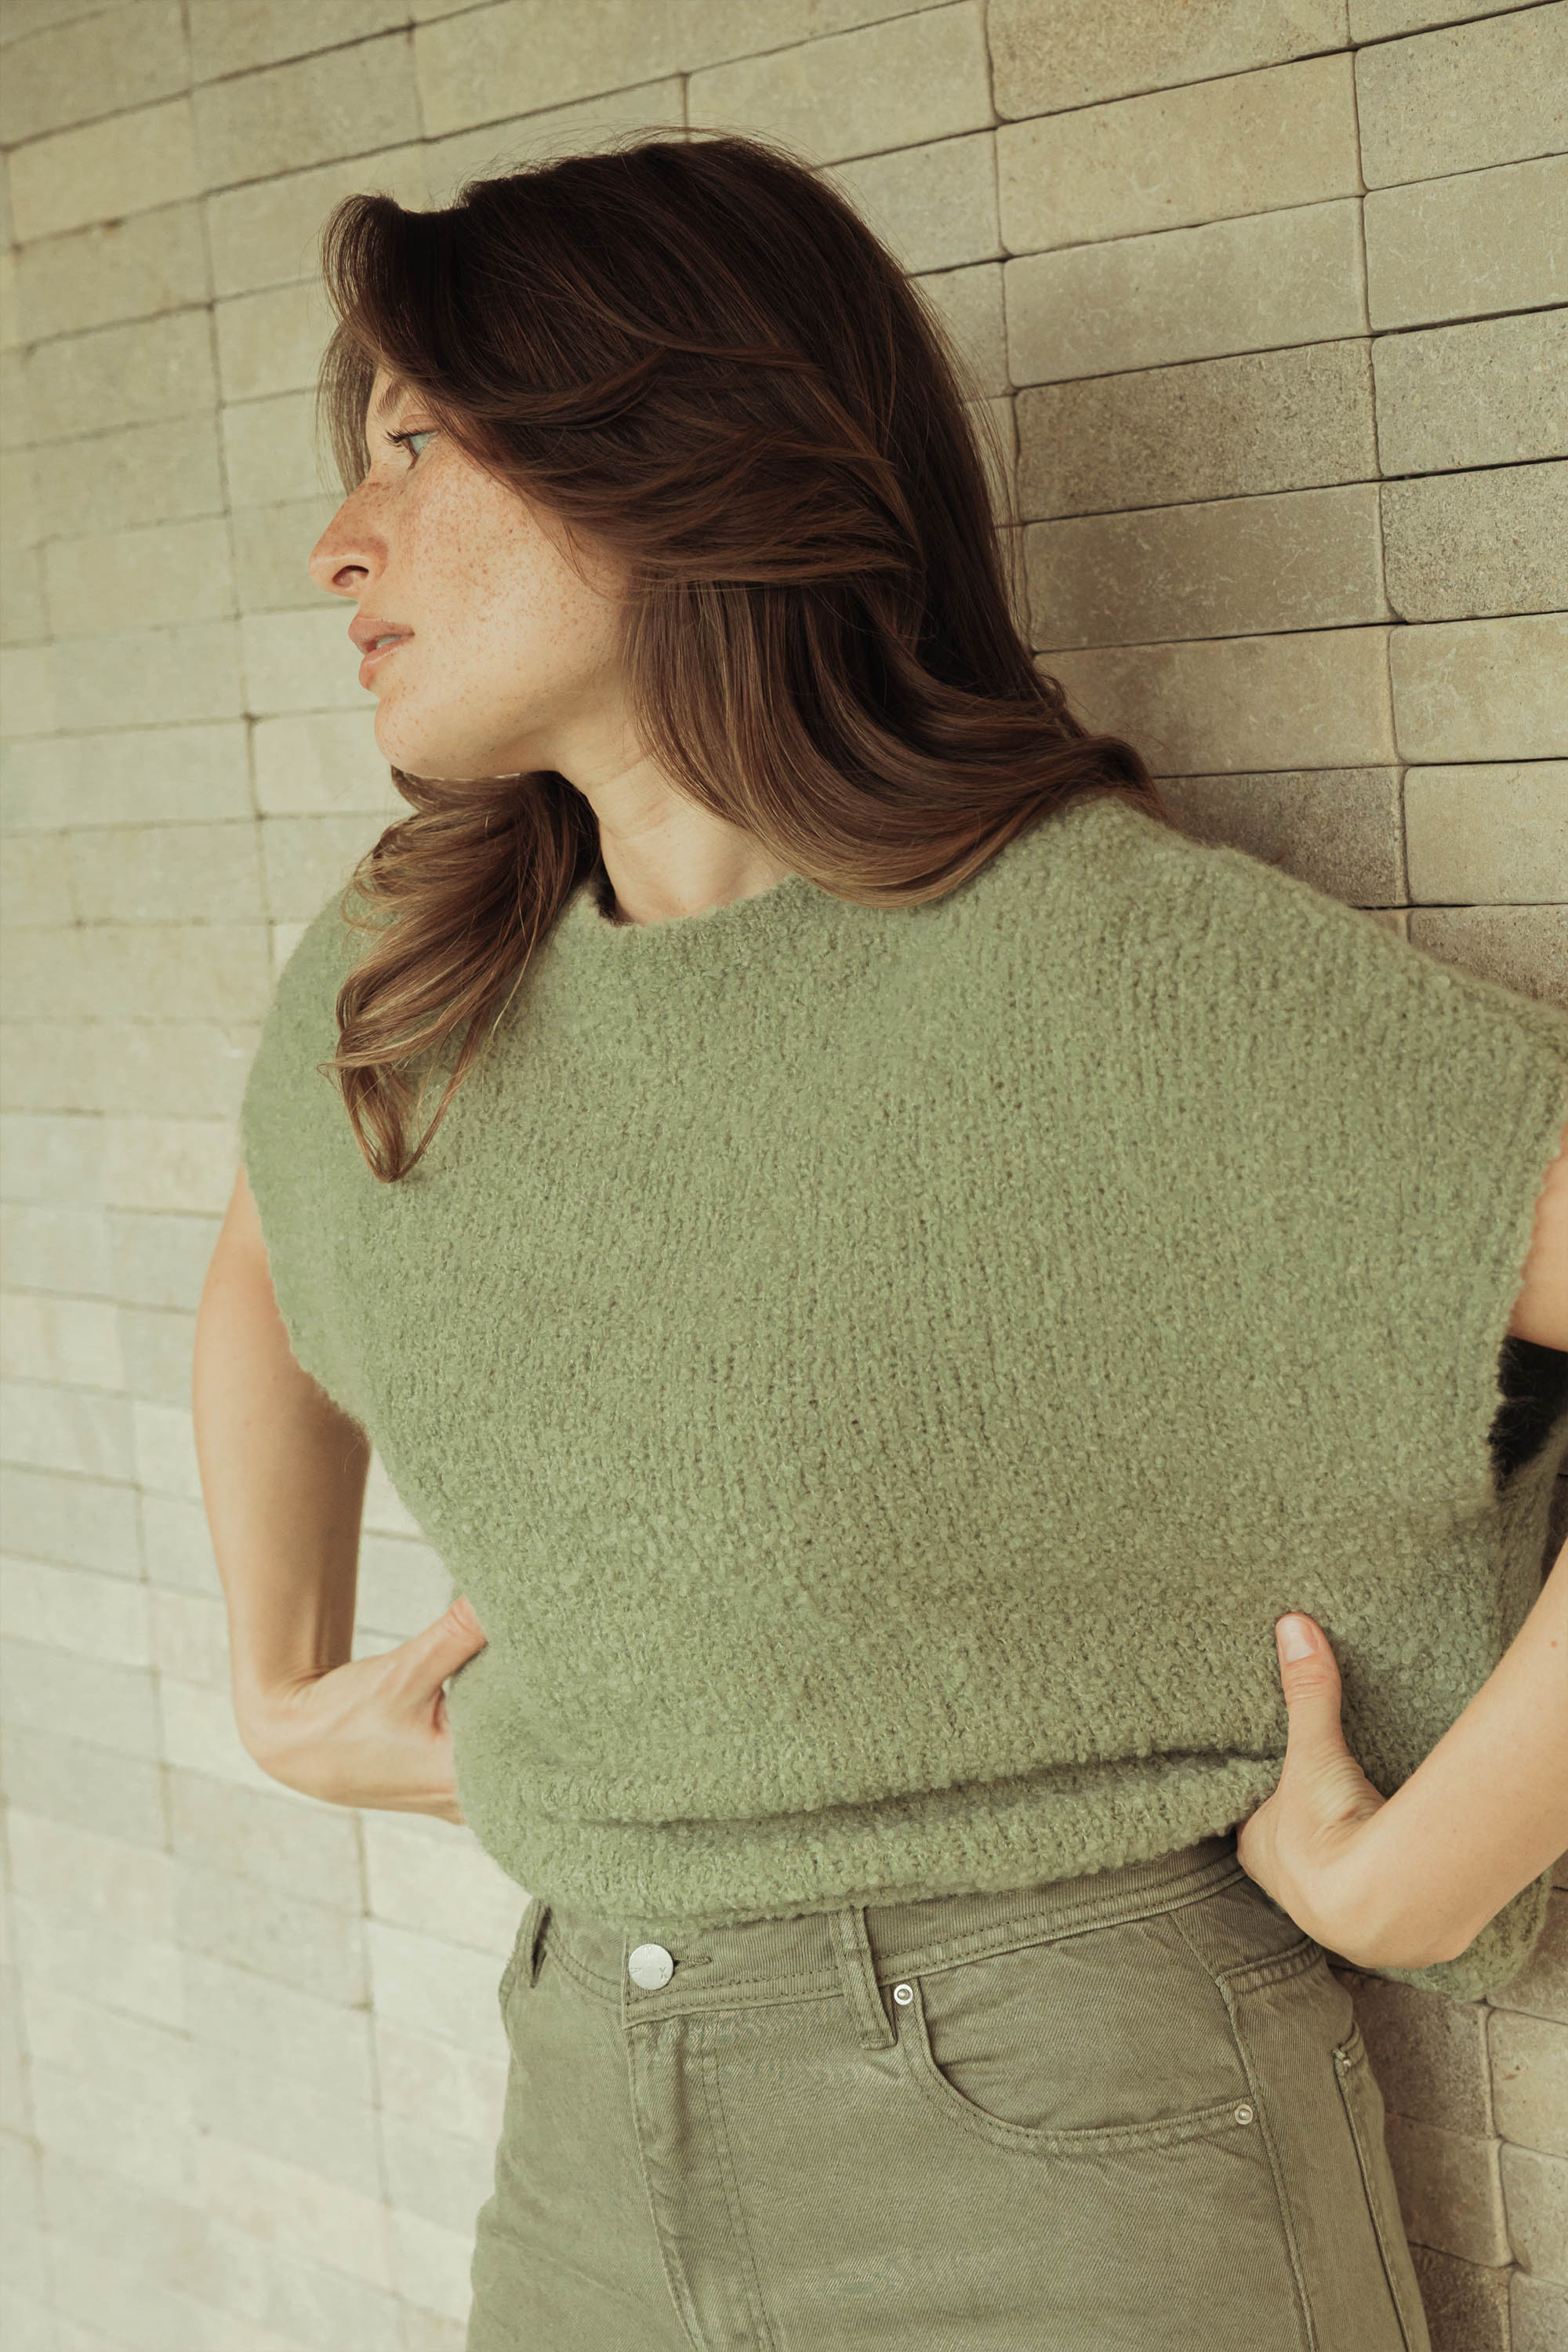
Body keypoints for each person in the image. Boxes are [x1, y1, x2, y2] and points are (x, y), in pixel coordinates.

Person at [194, 132, 1568, 2352]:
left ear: (678, 458)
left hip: (1073, 2153)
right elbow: (275, 1247)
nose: (342, 544)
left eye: (420, 446)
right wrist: (276, 1680)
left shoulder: (1098, 967)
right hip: (585, 2129)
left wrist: (1439, 1863)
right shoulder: (420, 966)